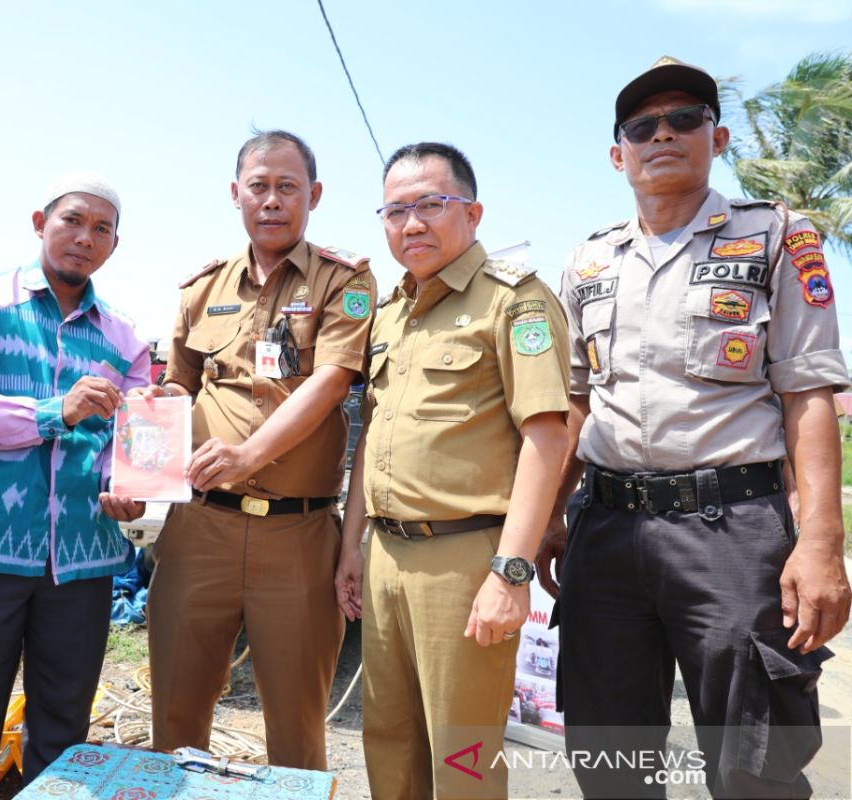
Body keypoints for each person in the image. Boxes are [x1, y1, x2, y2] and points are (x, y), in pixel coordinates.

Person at [537, 56, 852, 798]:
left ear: (720, 137)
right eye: (642, 126)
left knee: (754, 763)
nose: (663, 135)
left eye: (685, 119)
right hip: (606, 533)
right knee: (610, 760)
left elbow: (809, 393)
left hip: (733, 533)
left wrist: (822, 543)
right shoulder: (587, 262)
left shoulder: (776, 235)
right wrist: (552, 511)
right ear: (619, 155)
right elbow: (575, 403)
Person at [335, 142, 569, 799]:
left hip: (465, 560)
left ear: (473, 212)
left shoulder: (513, 302)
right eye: (396, 210)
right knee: (388, 744)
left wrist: (512, 572)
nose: (412, 224)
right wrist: (353, 547)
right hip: (385, 556)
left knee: (462, 759)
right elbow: (373, 439)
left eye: (431, 205)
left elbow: (547, 439)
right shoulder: (388, 317)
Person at [138, 129, 375, 769]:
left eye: (287, 187)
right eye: (259, 186)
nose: (272, 200)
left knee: (296, 730)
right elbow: (174, 391)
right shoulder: (201, 289)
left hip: (297, 538)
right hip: (198, 531)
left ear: (314, 195)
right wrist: (138, 477)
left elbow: (331, 383)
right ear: (236, 194)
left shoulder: (344, 282)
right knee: (176, 723)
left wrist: (248, 456)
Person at [0, 172, 150, 797]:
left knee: (63, 732)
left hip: (85, 561)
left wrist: (128, 490)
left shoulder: (127, 337)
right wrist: (55, 412)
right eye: (72, 220)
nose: (84, 237)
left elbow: (127, 445)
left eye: (102, 229)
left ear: (114, 246)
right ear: (39, 222)